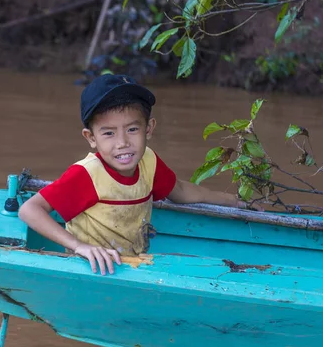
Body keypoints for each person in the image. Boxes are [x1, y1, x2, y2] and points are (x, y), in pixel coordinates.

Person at [19, 74, 260, 275]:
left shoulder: (149, 162)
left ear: (149, 129)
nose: (123, 143)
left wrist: (234, 202)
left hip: (131, 267)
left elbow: (182, 191)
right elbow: (30, 210)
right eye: (108, 133)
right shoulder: (87, 174)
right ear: (91, 138)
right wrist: (80, 247)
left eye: (132, 129)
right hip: (92, 269)